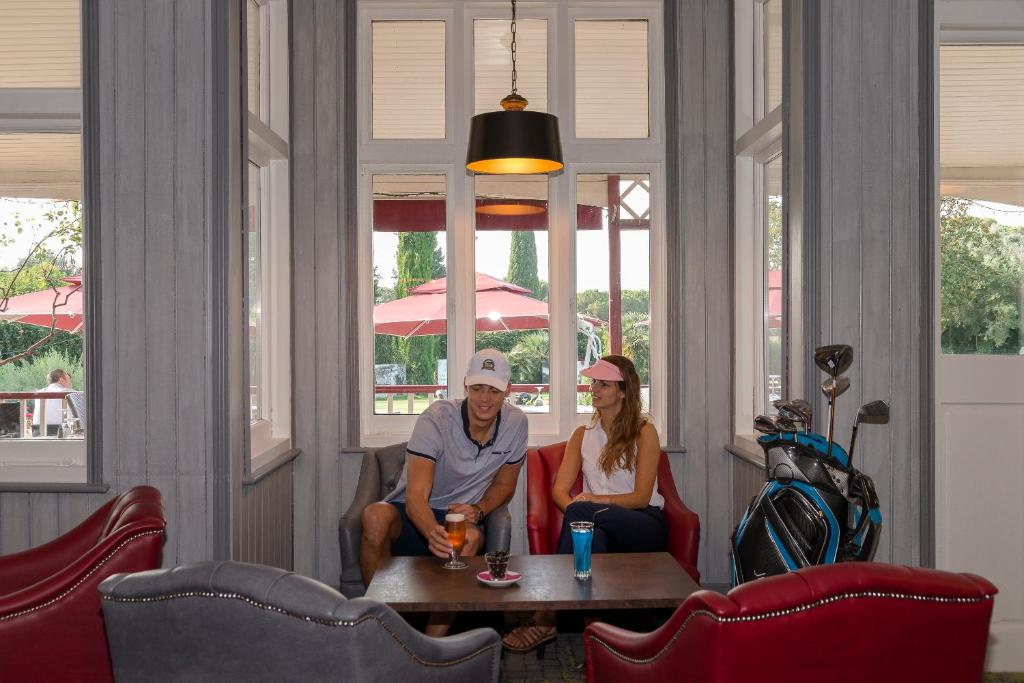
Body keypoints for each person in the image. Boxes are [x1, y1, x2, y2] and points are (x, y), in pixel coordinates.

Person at [503, 354, 667, 653]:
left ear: (623, 391)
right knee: (593, 540)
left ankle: (547, 616)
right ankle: (599, 636)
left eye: (604, 384)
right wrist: (583, 518)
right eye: (593, 383)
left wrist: (591, 504)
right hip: (600, 526)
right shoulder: (582, 435)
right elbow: (559, 491)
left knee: (582, 513)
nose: (594, 389)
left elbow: (641, 497)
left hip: (642, 523)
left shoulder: (644, 432)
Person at [360, 349, 528, 633]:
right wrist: (432, 534)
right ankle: (383, 629)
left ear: (508, 390)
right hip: (414, 515)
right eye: (477, 388)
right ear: (465, 385)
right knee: (374, 516)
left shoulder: (516, 423)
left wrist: (479, 509)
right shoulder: (436, 418)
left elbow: (505, 485)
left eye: (494, 390)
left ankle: (431, 645)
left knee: (469, 538)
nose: (484, 398)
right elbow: (416, 498)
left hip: (461, 519)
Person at [32, 368, 73, 437]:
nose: (70, 383)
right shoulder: (66, 392)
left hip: (37, 432)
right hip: (58, 433)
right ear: (61, 379)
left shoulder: (39, 392)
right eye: (69, 380)